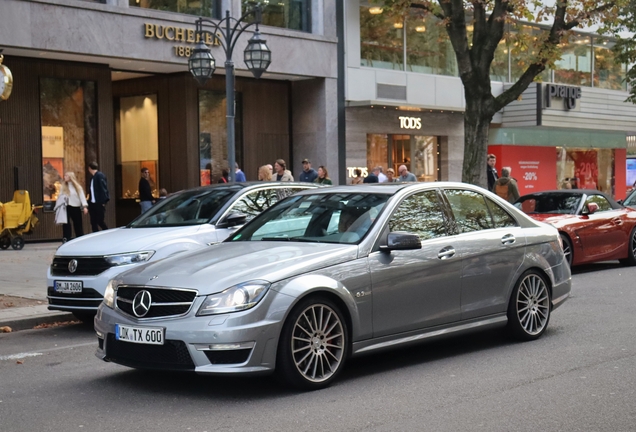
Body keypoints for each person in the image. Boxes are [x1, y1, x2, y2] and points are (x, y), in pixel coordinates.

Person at [58, 172, 88, 242]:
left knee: (77, 223)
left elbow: (82, 197)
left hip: (75, 206)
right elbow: (60, 196)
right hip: (66, 206)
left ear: (70, 177)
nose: (64, 177)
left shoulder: (77, 187)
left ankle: (80, 237)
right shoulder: (63, 187)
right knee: (66, 223)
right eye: (64, 175)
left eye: (66, 176)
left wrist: (84, 206)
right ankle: (66, 238)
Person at [87, 161, 109, 232]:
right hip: (92, 202)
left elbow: (103, 188)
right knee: (93, 221)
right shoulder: (92, 178)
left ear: (89, 168)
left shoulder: (99, 175)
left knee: (100, 220)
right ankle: (95, 233)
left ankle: (107, 232)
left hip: (99, 202)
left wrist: (104, 201)